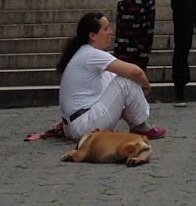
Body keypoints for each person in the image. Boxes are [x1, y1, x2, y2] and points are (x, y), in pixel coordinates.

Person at [55, 11, 167, 143]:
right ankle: (141, 126)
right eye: (106, 28)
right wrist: (146, 86)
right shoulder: (91, 55)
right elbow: (136, 72)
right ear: (92, 35)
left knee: (114, 75)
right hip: (84, 127)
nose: (111, 32)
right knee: (126, 80)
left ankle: (134, 122)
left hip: (74, 127)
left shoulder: (83, 53)